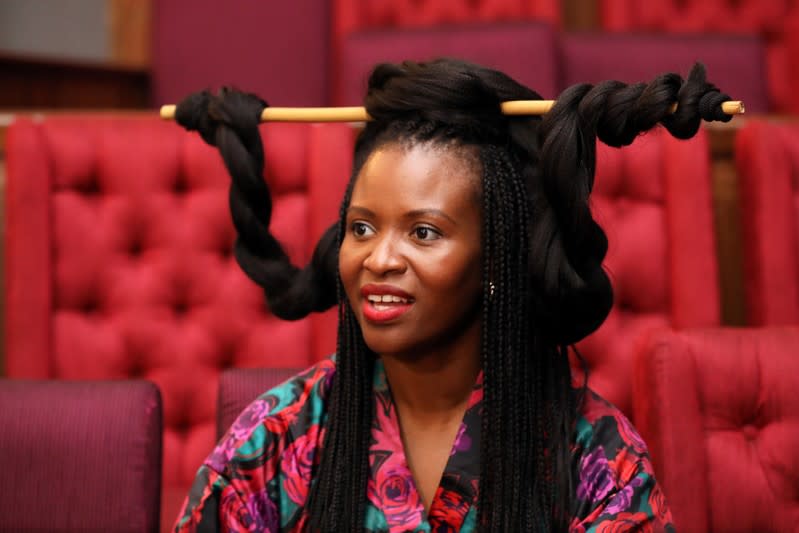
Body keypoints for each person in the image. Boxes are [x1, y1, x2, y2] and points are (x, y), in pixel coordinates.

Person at [172, 59, 731, 532]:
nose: (379, 259)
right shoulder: (275, 440)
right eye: (362, 228)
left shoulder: (597, 459)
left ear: (495, 259)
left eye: (423, 232)